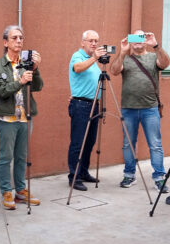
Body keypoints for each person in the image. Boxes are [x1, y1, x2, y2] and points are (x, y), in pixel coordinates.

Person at [0, 25, 43, 210]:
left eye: (21, 37)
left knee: (22, 156)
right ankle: (6, 191)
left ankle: (21, 190)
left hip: (25, 117)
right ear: (6, 42)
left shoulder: (27, 63)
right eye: (14, 38)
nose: (19, 41)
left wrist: (35, 69)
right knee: (6, 157)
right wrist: (20, 81)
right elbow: (1, 90)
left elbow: (37, 87)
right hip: (7, 119)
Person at [110, 30, 170, 192]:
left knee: (155, 144)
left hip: (150, 108)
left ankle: (159, 178)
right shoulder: (126, 58)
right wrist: (122, 52)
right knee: (128, 144)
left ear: (145, 40)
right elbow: (114, 70)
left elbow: (165, 64)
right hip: (128, 108)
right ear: (130, 40)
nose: (138, 41)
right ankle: (129, 175)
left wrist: (156, 45)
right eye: (134, 38)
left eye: (141, 37)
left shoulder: (152, 56)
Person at [67, 30, 107, 192]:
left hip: (93, 105)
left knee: (89, 142)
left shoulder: (94, 61)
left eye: (96, 40)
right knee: (78, 142)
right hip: (81, 105)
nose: (94, 43)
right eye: (90, 40)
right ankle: (74, 177)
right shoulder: (77, 56)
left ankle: (83, 172)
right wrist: (94, 58)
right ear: (82, 42)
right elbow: (77, 68)